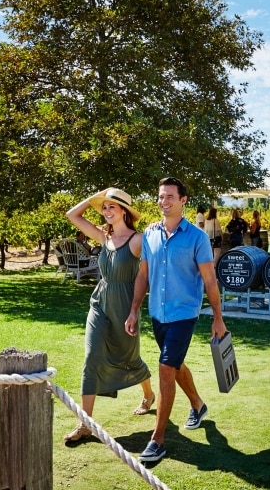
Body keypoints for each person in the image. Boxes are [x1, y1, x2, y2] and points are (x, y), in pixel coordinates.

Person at [125, 177, 227, 463]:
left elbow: (209, 280)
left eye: (170, 196)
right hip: (158, 314)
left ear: (183, 200)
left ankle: (157, 440)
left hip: (184, 314)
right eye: (160, 196)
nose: (163, 201)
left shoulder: (196, 238)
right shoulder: (149, 234)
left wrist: (218, 317)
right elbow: (143, 275)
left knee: (166, 367)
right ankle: (197, 404)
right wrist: (134, 310)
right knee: (175, 363)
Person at [62, 187, 156, 442]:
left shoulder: (138, 240)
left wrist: (135, 310)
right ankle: (85, 424)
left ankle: (148, 394)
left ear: (124, 211)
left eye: (111, 206)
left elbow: (145, 276)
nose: (106, 211)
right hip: (100, 303)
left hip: (125, 306)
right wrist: (97, 195)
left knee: (129, 358)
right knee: (91, 357)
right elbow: (73, 215)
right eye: (103, 207)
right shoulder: (105, 237)